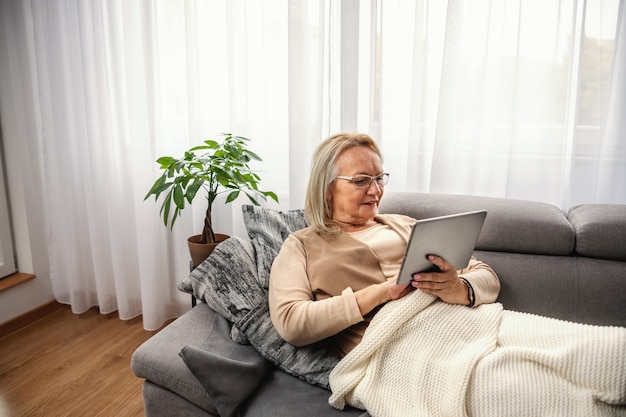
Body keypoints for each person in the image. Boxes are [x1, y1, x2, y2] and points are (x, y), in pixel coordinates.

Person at [268, 132, 500, 357]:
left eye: (379, 178)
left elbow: (486, 275)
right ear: (327, 188)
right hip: (398, 352)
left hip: (463, 330)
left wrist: (458, 288)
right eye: (361, 181)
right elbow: (291, 322)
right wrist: (383, 292)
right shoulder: (301, 246)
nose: (376, 190)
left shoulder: (406, 224)